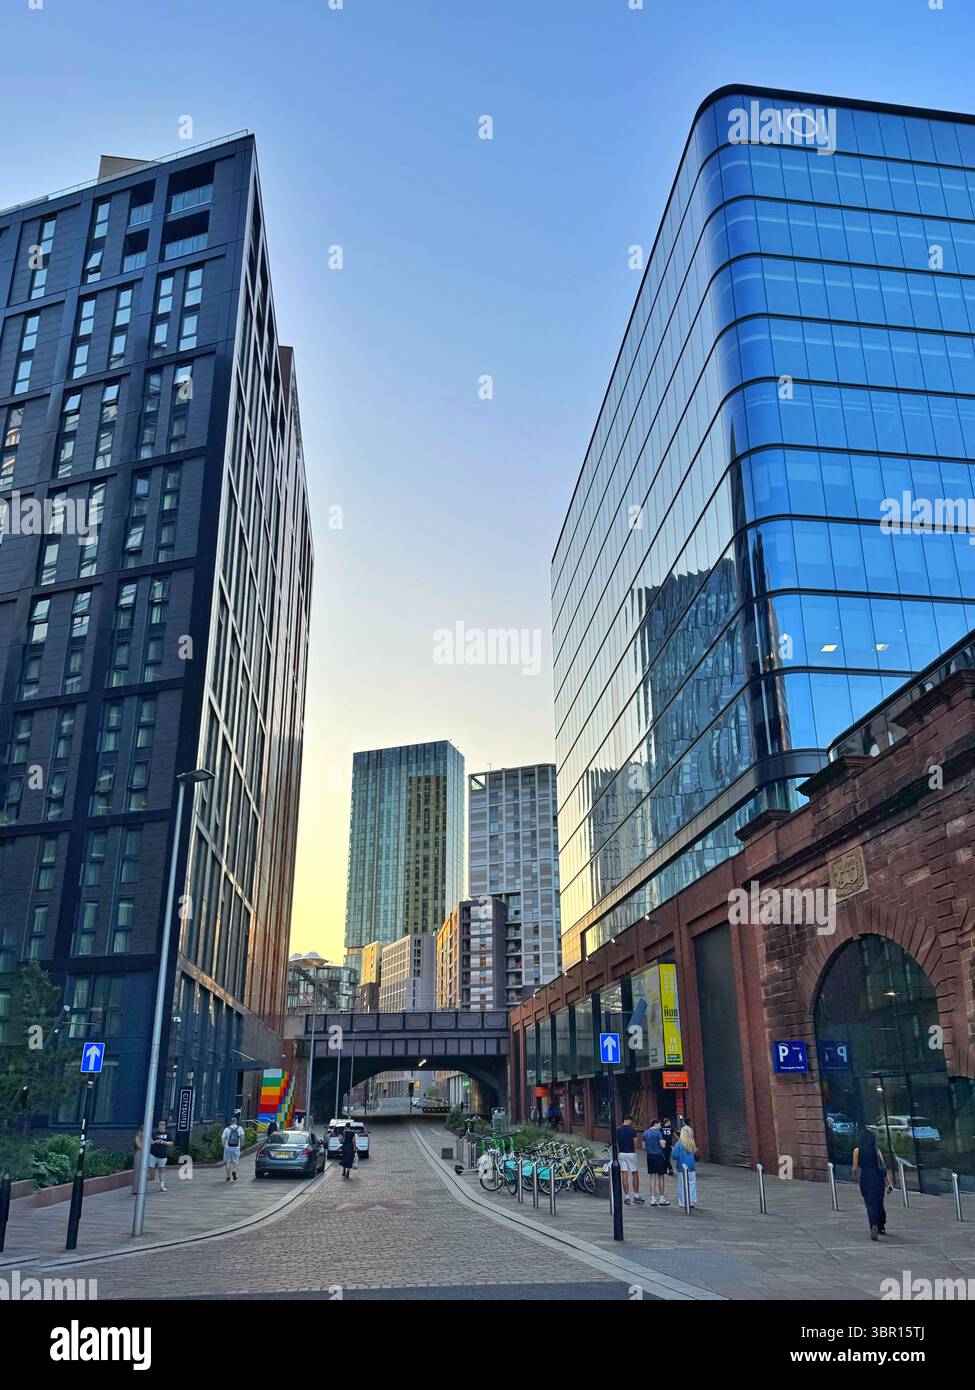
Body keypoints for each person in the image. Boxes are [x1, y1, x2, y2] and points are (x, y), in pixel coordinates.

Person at [852, 1128, 892, 1240]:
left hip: (865, 1178)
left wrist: (855, 1175)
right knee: (879, 1202)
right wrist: (888, 1183)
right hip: (878, 1178)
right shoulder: (876, 1150)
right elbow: (883, 1167)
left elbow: (855, 1169)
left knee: (870, 1203)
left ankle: (873, 1225)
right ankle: (882, 1225)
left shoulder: (857, 1151)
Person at [616, 1115, 644, 1205]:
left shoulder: (618, 1130)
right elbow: (635, 1143)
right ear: (630, 1121)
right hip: (631, 1152)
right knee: (634, 1174)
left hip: (621, 1153)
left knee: (624, 1174)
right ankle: (636, 1195)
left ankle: (627, 1197)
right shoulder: (632, 1130)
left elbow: (616, 1142)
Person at [642, 1117, 669, 1206]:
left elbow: (643, 1147)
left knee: (652, 1177)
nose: (660, 1126)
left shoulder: (645, 1133)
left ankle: (652, 1199)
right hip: (658, 1156)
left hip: (650, 1156)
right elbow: (663, 1145)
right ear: (655, 1124)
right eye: (659, 1124)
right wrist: (664, 1142)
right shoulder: (658, 1133)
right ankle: (661, 1198)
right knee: (661, 1177)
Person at [672, 1124, 698, 1208]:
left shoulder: (679, 1144)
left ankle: (683, 1202)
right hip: (691, 1167)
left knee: (682, 1185)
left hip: (682, 1167)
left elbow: (675, 1156)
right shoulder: (692, 1143)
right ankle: (692, 1201)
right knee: (692, 1184)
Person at [147, 1120, 174, 1193]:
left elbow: (171, 1143)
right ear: (158, 1125)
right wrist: (156, 1141)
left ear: (165, 1126)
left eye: (163, 1124)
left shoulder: (167, 1134)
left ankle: (162, 1185)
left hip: (163, 1155)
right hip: (153, 1154)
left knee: (162, 1170)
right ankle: (144, 1184)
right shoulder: (154, 1133)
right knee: (150, 1168)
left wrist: (164, 1142)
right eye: (160, 1124)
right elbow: (150, 1142)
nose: (161, 1126)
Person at [221, 1116, 245, 1182]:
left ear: (231, 1122)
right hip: (236, 1147)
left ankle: (228, 1176)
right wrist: (242, 1145)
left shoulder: (226, 1129)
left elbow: (223, 1138)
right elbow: (242, 1137)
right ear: (236, 1122)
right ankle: (234, 1171)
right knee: (235, 1161)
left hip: (228, 1147)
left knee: (228, 1162)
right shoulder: (240, 1128)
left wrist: (224, 1146)